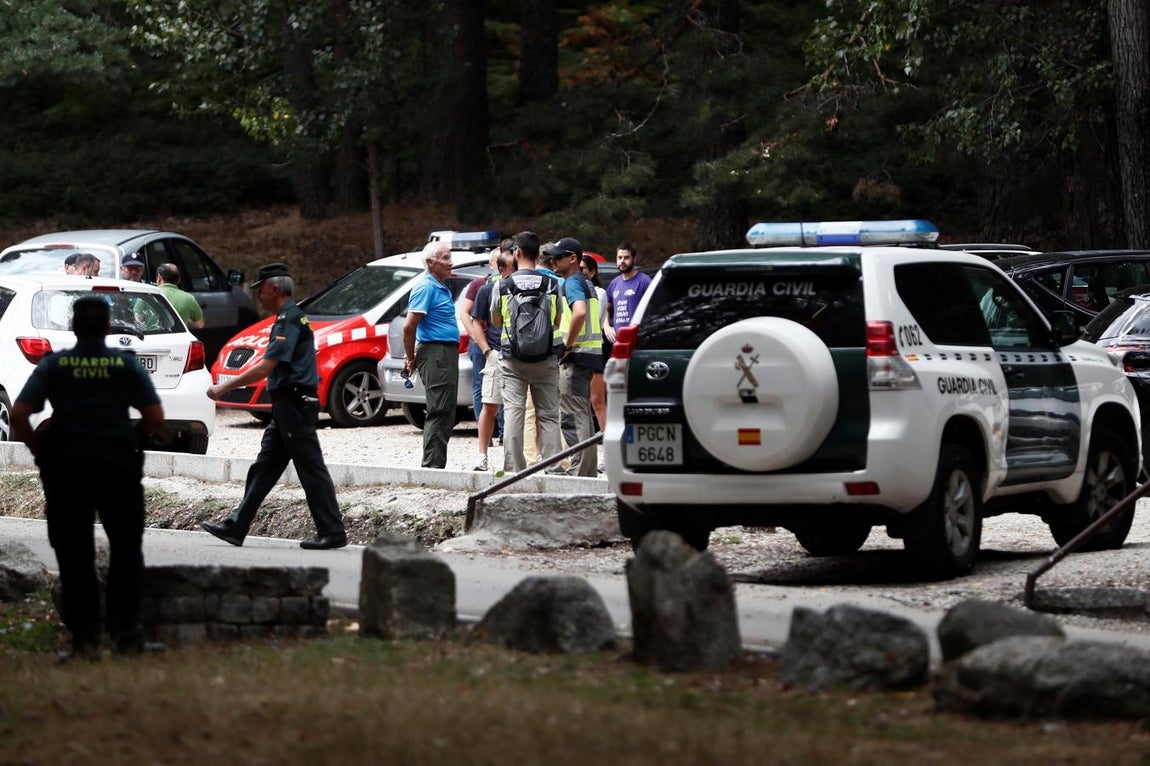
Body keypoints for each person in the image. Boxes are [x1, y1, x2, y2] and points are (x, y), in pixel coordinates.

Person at [11, 297, 164, 659]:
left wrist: (40, 452)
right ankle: (127, 636)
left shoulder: (54, 365)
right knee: (127, 552)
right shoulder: (125, 365)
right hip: (117, 466)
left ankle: (85, 642)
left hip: (66, 469)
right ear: (108, 327)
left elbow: (19, 415)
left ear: (74, 328)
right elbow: (155, 416)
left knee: (74, 555)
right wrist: (133, 439)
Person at [201, 263, 347, 550]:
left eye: (260, 290)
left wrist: (223, 386)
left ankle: (332, 531)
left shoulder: (288, 320)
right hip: (286, 405)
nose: (258, 296)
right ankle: (236, 525)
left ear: (274, 289)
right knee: (264, 468)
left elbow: (266, 366)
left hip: (294, 403)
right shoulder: (290, 317)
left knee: (310, 468)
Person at [491, 231, 563, 473]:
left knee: (514, 412)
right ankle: (554, 468)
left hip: (512, 360)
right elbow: (558, 318)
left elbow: (497, 321)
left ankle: (514, 469)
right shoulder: (553, 284)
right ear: (537, 254)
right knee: (550, 416)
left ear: (517, 253)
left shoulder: (502, 285)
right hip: (546, 359)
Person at [547, 237, 602, 477]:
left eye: (558, 256)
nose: (553, 260)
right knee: (582, 413)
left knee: (572, 414)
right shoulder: (585, 281)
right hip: (588, 355)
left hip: (576, 356)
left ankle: (580, 472)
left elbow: (579, 311)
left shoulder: (571, 283)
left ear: (572, 258)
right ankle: (587, 471)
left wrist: (567, 346)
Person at [402, 242, 460, 469]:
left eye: (450, 257)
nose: (450, 262)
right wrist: (410, 358)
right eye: (445, 258)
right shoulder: (425, 287)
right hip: (436, 353)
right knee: (439, 409)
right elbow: (409, 327)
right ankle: (432, 467)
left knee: (447, 409)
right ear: (430, 262)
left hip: (445, 353)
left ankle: (437, 465)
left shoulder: (439, 285)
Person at [469, 247, 515, 471]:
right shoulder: (487, 290)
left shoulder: (523, 289)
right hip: (496, 355)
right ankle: (482, 455)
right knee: (489, 405)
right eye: (511, 267)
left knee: (517, 409)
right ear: (501, 268)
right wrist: (487, 351)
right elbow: (475, 322)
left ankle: (515, 458)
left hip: (519, 357)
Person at [580, 253, 609, 433]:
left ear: (592, 272)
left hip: (594, 350)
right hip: (576, 351)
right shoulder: (572, 289)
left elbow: (592, 320)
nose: (580, 272)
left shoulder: (600, 293)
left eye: (583, 269)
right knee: (578, 402)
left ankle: (607, 442)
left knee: (597, 401)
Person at [604, 240, 652, 343]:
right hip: (618, 343)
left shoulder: (645, 281)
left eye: (626, 257)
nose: (622, 261)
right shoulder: (614, 283)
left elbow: (655, 309)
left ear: (634, 259)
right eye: (619, 257)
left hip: (639, 341)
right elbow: (605, 308)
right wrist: (607, 327)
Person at [155, 263, 205, 328]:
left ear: (159, 277)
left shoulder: (148, 294)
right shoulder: (189, 298)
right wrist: (186, 315)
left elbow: (138, 318)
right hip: (179, 337)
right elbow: (200, 324)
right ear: (178, 280)